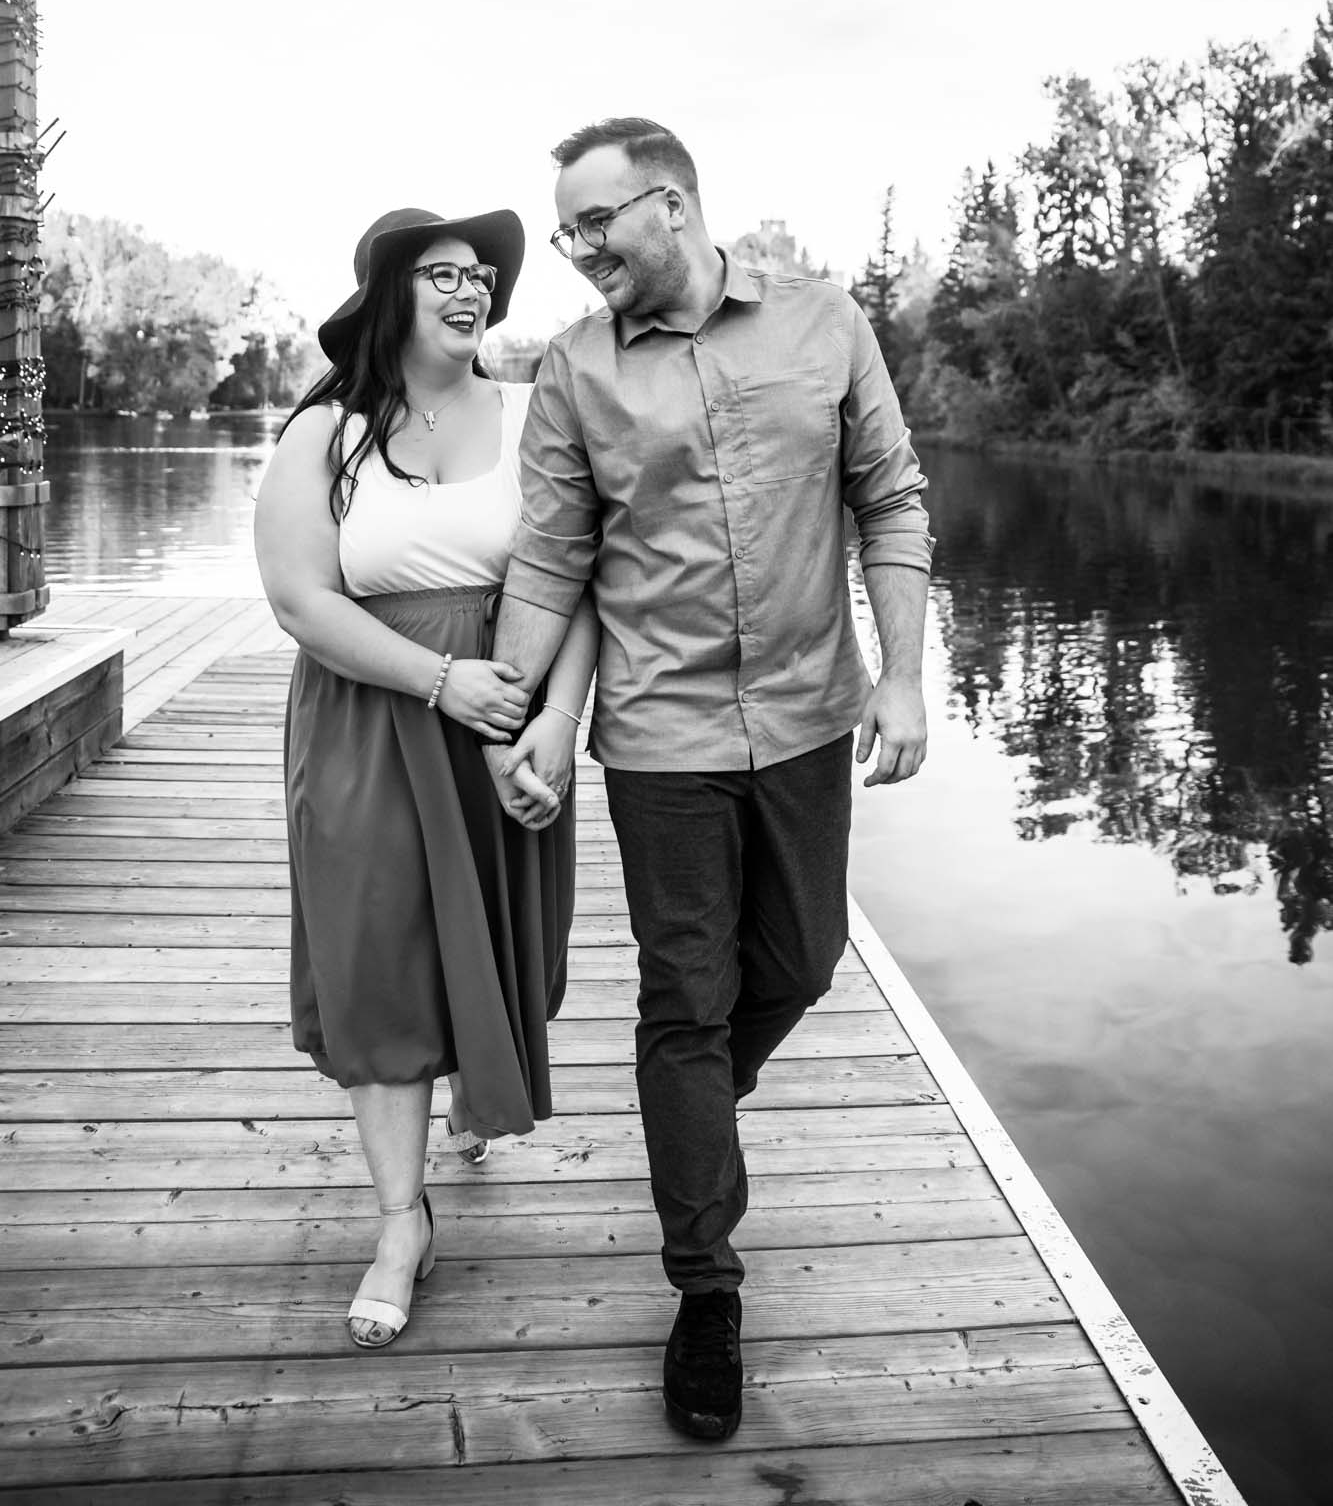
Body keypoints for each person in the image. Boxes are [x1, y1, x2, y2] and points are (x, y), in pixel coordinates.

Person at [484, 118, 934, 1441]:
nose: (574, 255)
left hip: (806, 717)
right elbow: (551, 561)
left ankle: (687, 1113)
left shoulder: (820, 321)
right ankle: (705, 1288)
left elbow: (891, 498)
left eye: (591, 227)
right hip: (663, 738)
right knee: (686, 995)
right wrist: (527, 723)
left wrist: (904, 679)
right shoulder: (573, 371)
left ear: (668, 207)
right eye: (564, 232)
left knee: (800, 960)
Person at [254, 205, 597, 1352]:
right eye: (442, 272)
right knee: (379, 963)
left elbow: (579, 575)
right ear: (390, 291)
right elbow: (303, 601)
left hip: (508, 709)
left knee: (498, 950)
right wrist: (438, 682)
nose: (470, 288)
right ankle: (401, 1220)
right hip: (370, 722)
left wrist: (555, 718)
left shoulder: (535, 414)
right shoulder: (325, 431)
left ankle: (474, 1097)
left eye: (481, 274)